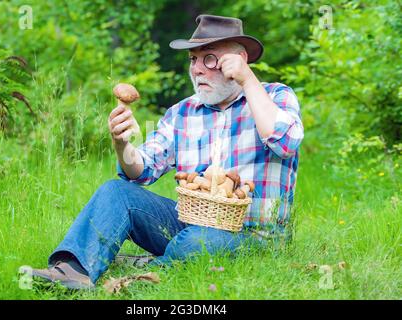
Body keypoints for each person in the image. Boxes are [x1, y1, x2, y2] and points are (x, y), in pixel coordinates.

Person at [31, 14, 304, 290]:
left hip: (252, 236)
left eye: (209, 59)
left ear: (240, 60)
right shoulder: (181, 113)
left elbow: (285, 142)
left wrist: (248, 80)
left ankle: (145, 274)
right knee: (116, 192)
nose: (197, 69)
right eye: (192, 60)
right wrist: (122, 143)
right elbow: (140, 172)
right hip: (188, 227)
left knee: (201, 242)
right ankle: (72, 271)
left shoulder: (275, 96)